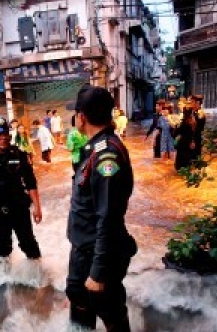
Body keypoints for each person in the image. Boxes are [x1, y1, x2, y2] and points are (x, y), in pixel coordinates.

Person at [65, 85, 137, 331]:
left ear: (82, 117)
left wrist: (97, 273)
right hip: (86, 250)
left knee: (110, 311)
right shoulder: (94, 148)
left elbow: (108, 217)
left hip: (98, 256)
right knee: (80, 304)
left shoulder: (107, 155)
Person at [0, 116, 43, 271]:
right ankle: (6, 280)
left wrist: (37, 208)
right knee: (2, 248)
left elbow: (31, 183)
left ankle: (39, 275)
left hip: (19, 209)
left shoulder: (19, 155)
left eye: (6, 134)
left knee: (28, 243)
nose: (4, 137)